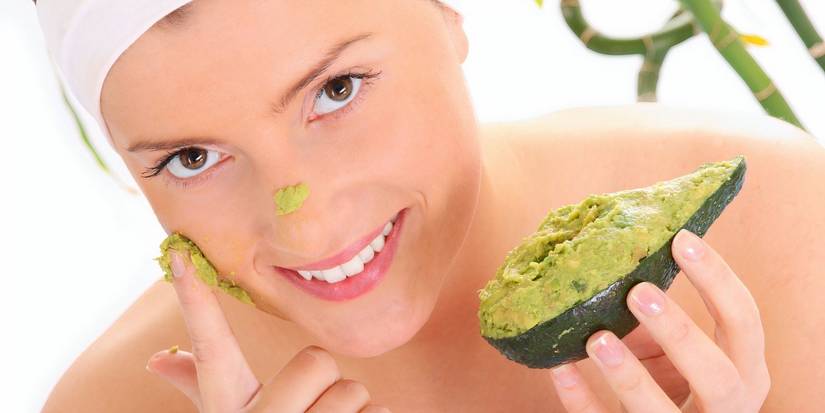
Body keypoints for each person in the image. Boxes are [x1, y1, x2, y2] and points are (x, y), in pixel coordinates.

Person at [37, 0, 825, 412]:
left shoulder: (786, 220)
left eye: (335, 90)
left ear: (448, 15)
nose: (305, 226)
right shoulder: (108, 403)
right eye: (191, 158)